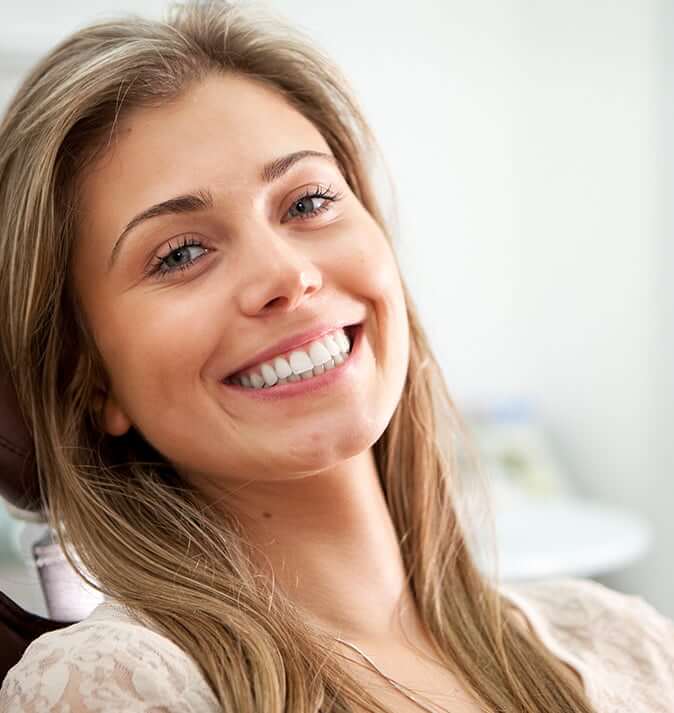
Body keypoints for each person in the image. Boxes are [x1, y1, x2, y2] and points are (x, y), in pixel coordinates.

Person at [0, 1, 672, 711]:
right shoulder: (112, 684)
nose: (287, 275)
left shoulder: (628, 645)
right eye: (182, 252)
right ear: (90, 377)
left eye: (308, 202)